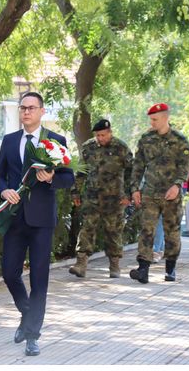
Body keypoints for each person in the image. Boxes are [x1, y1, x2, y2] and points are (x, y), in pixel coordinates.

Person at [0, 91, 75, 357]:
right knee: (9, 273)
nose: (26, 112)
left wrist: (51, 177)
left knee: (40, 279)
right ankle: (27, 314)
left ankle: (32, 336)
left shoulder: (56, 141)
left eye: (31, 108)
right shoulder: (9, 140)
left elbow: (69, 178)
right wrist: (4, 191)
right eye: (22, 108)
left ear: (41, 111)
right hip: (14, 217)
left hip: (41, 221)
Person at [129, 103, 189, 283]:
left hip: (171, 194)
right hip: (150, 192)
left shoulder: (180, 140)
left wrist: (177, 185)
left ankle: (170, 269)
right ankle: (143, 269)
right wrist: (134, 189)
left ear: (165, 118)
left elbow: (185, 166)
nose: (152, 123)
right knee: (147, 230)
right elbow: (138, 166)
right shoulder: (146, 139)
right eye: (151, 119)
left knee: (172, 231)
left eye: (155, 119)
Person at [69, 119, 132, 278]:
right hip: (92, 197)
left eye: (103, 135)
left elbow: (133, 172)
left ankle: (114, 265)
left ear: (110, 132)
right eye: (98, 135)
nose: (100, 138)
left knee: (114, 231)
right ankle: (81, 264)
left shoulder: (121, 147)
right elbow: (81, 171)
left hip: (115, 199)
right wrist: (75, 192)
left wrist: (130, 194)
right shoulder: (88, 147)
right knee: (87, 229)